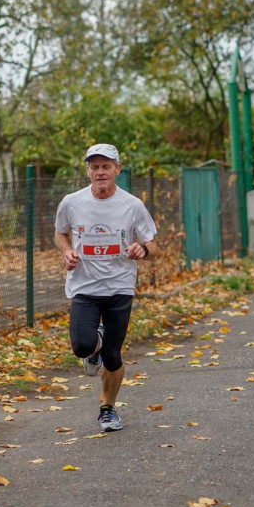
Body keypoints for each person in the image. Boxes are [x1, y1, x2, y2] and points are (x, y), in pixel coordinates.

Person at [54, 143, 158, 433]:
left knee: (113, 356)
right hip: (84, 286)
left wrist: (142, 250)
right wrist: (66, 251)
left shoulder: (132, 205)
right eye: (95, 167)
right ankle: (94, 346)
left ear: (117, 169)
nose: (100, 172)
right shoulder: (72, 202)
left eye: (106, 166)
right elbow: (60, 233)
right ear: (88, 170)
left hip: (119, 287)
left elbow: (152, 245)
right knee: (82, 346)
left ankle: (108, 409)